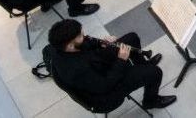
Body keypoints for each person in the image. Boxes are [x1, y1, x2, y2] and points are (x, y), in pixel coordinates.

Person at [47, 18, 175, 110]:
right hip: (105, 95)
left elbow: (85, 43)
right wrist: (121, 60)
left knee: (131, 38)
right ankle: (150, 101)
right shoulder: (76, 71)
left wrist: (101, 43)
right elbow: (104, 85)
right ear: (69, 46)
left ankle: (143, 65)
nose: (84, 35)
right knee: (155, 72)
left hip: (95, 64)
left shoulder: (58, 44)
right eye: (80, 35)